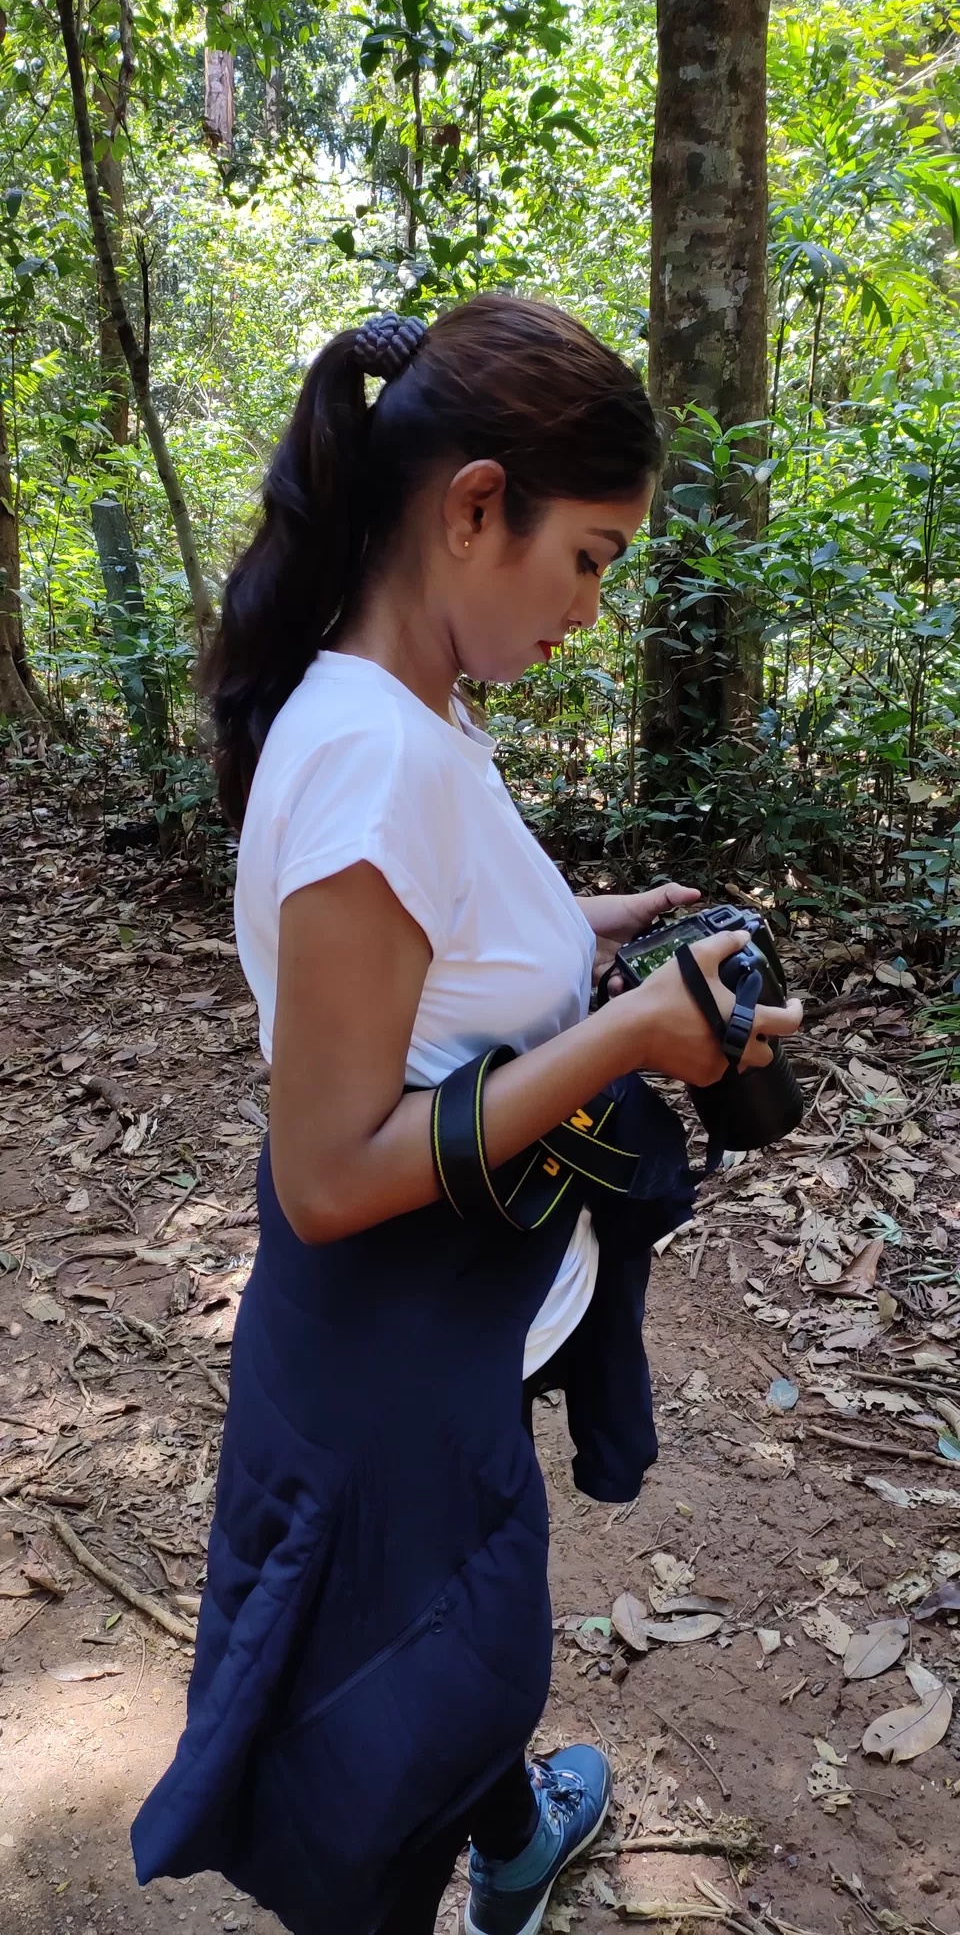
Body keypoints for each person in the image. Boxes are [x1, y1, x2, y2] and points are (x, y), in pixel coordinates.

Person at [132, 297, 801, 1935]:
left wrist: (591, 921)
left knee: (445, 1647)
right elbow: (332, 1170)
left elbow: (432, 946)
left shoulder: (401, 708)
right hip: (384, 1346)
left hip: (442, 1328)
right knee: (412, 1703)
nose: (593, 605)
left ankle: (510, 1830)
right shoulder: (375, 760)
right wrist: (638, 1030)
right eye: (588, 556)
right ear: (474, 503)